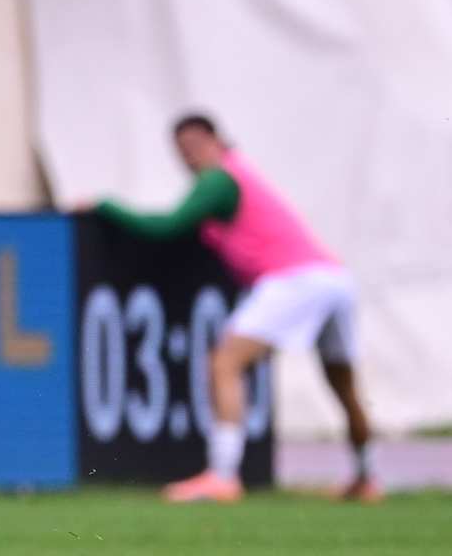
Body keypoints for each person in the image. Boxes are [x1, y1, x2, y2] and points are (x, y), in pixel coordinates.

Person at [96, 114, 380, 504]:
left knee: (225, 363)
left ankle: (223, 475)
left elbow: (168, 226)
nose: (190, 156)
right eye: (183, 149)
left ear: (218, 142)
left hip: (293, 278)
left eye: (197, 145)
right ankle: (367, 478)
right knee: (343, 385)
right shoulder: (239, 174)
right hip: (333, 278)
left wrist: (106, 206)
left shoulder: (217, 179)